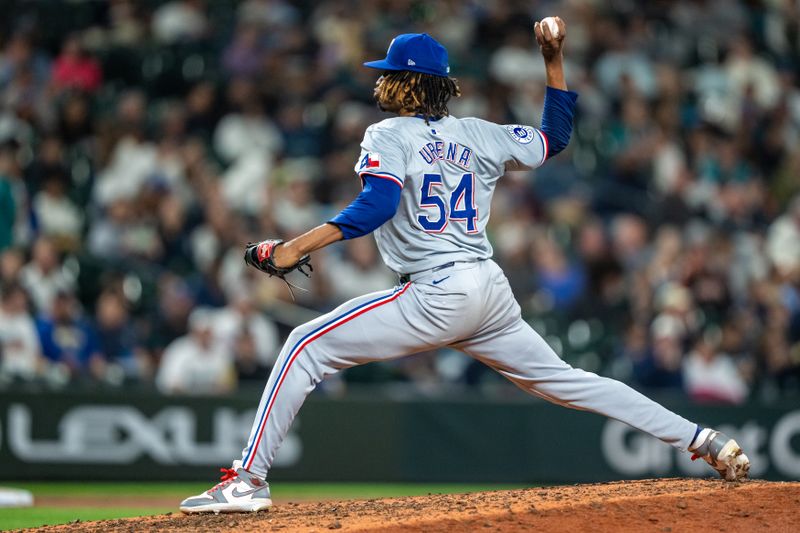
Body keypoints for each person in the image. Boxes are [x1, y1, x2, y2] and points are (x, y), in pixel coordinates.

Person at [180, 19, 749, 514]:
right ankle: (702, 439)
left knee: (304, 345)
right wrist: (554, 61)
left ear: (411, 84)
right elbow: (554, 138)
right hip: (488, 291)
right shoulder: (479, 133)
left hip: (437, 290)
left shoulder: (388, 133)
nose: (381, 81)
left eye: (390, 73)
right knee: (574, 383)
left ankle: (248, 481)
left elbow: (377, 205)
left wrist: (291, 249)